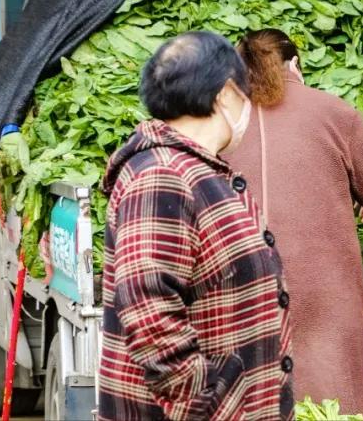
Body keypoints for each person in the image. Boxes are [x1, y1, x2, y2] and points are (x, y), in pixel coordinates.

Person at [98, 31, 293, 421]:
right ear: (225, 94)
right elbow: (150, 312)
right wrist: (206, 403)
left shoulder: (202, 171)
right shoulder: (160, 175)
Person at [225, 29, 363, 419]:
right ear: (295, 65)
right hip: (323, 292)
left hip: (239, 288)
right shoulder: (333, 111)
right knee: (332, 399)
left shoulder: (219, 120)